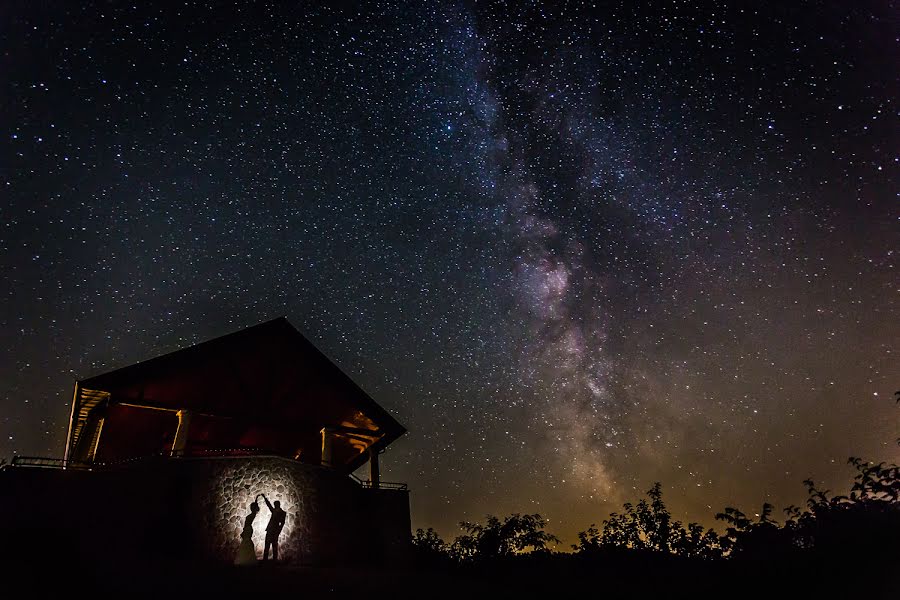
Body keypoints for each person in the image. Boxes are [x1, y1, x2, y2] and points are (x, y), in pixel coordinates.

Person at [260, 493, 287, 562]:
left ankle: (271, 561)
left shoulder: (281, 512)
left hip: (273, 531)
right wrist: (265, 498)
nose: (274, 506)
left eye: (275, 505)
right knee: (268, 546)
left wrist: (278, 532)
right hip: (271, 530)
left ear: (277, 505)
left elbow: (282, 523)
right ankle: (266, 560)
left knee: (273, 547)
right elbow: (269, 505)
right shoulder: (275, 511)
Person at [234, 501, 260, 565]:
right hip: (248, 528)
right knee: (246, 542)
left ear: (253, 508)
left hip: (248, 529)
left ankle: (246, 558)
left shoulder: (253, 514)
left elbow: (247, 524)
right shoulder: (252, 514)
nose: (250, 508)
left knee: (246, 541)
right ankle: (247, 558)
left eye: (251, 507)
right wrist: (256, 498)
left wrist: (244, 531)